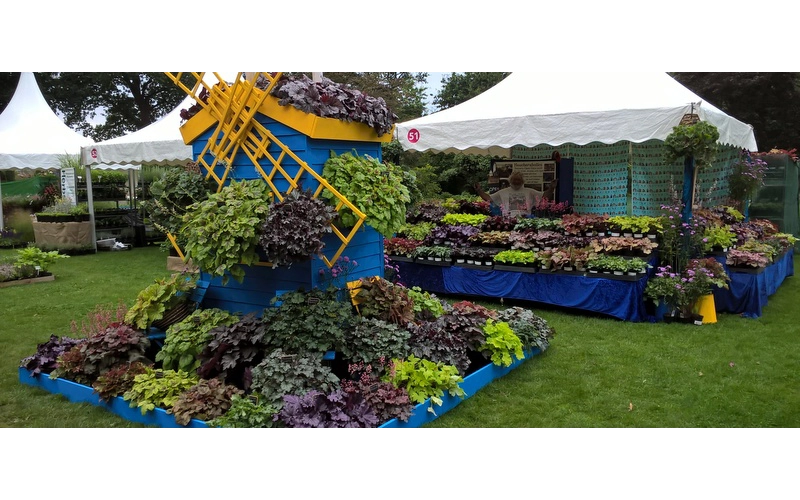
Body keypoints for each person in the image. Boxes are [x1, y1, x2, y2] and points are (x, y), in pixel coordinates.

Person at [474, 171, 557, 217]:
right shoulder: (503, 192)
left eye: (518, 180)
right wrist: (479, 190)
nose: (516, 181)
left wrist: (551, 188)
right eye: (514, 179)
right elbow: (488, 198)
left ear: (522, 181)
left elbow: (544, 196)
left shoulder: (529, 191)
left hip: (526, 220)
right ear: (510, 181)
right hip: (508, 221)